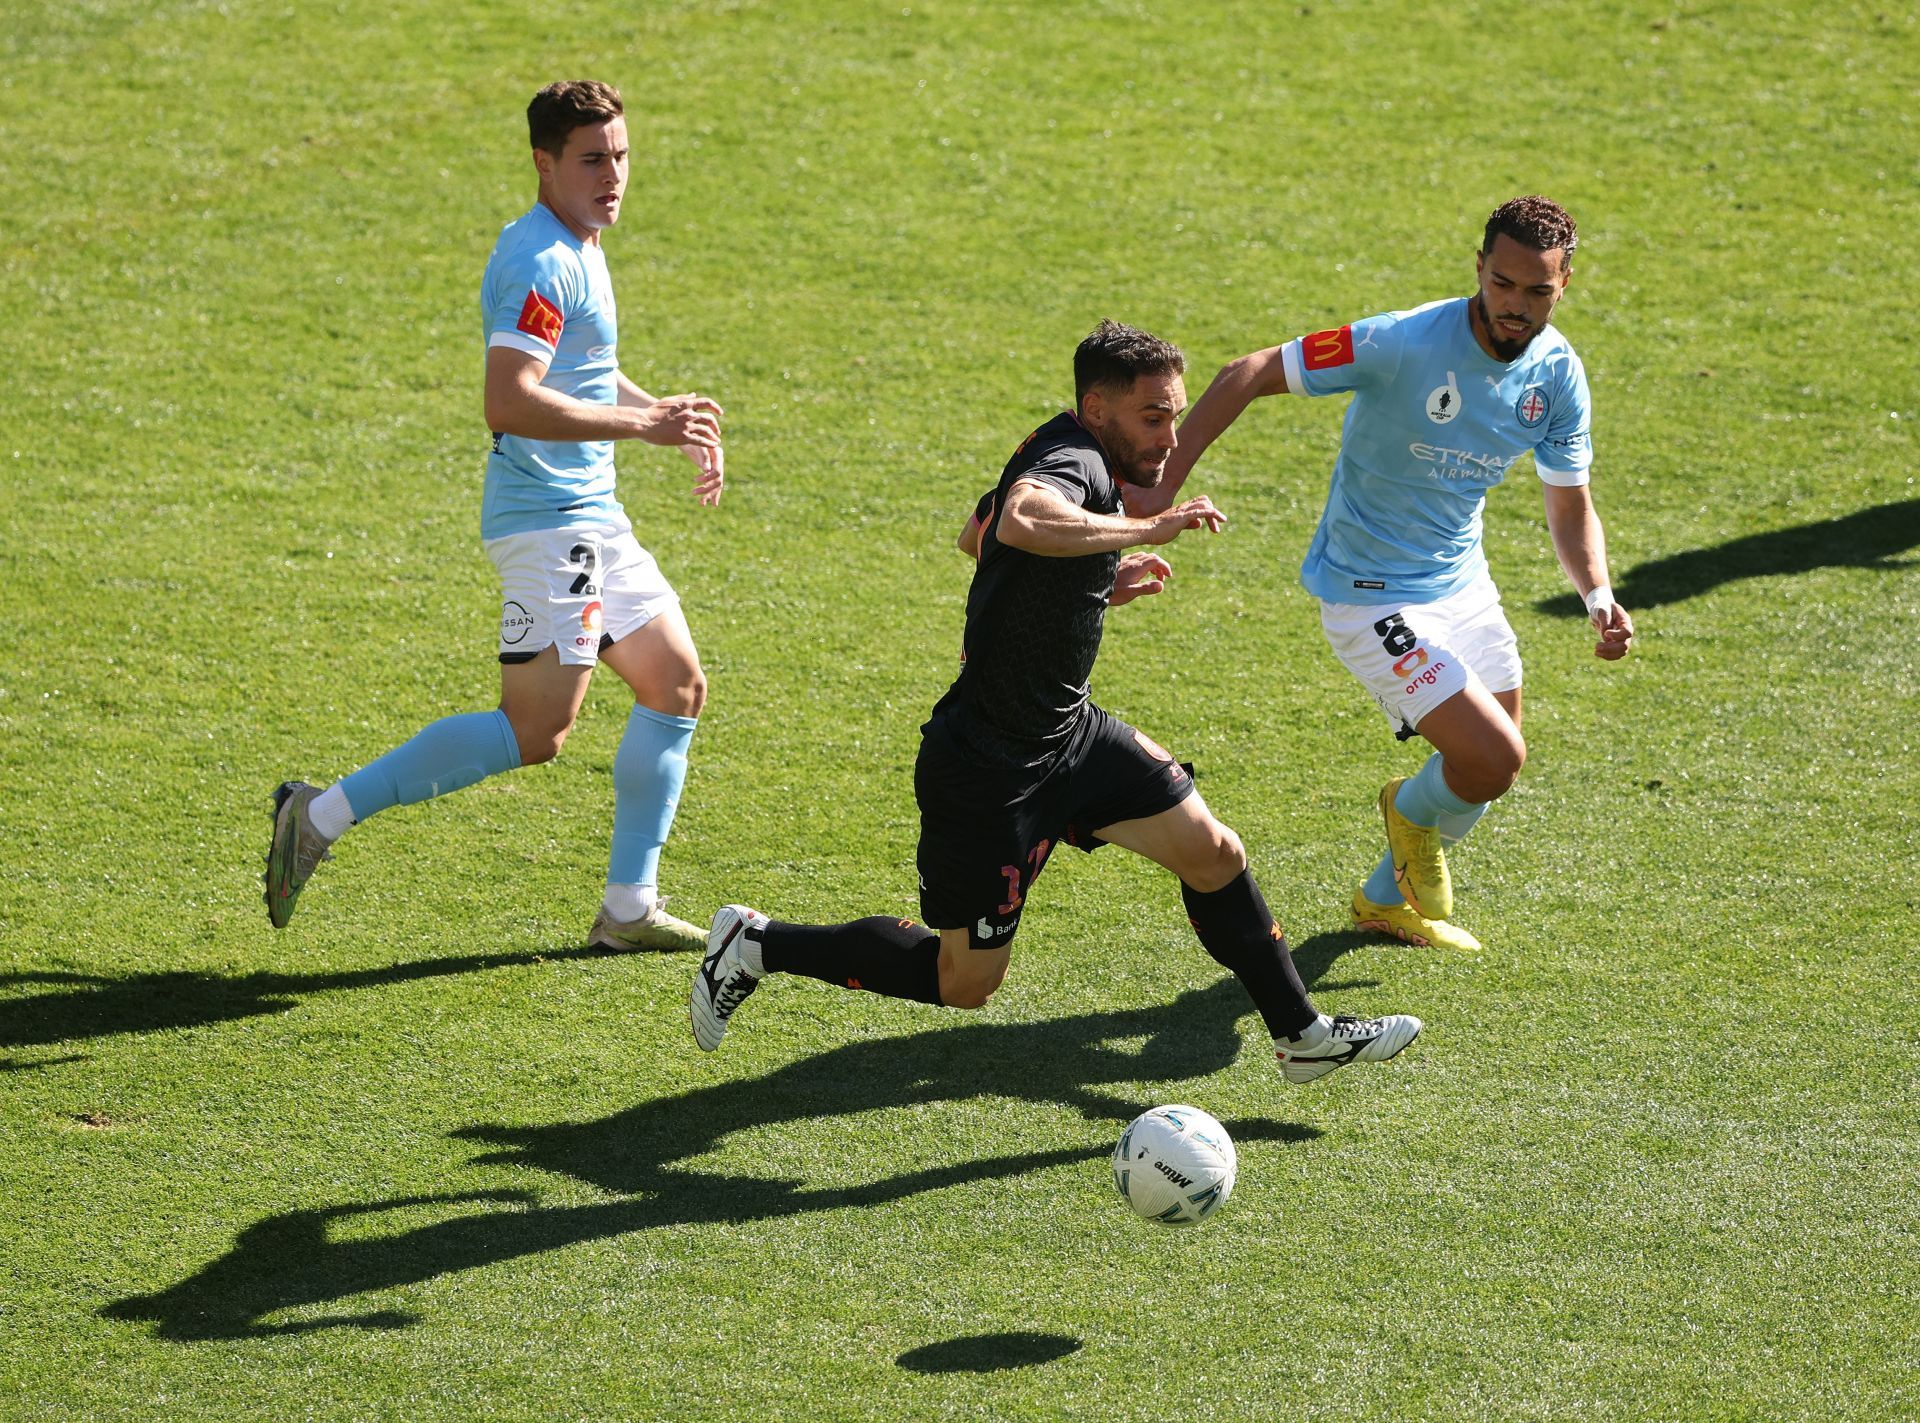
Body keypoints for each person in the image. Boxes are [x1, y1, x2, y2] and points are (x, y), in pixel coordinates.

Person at [688, 320, 1422, 1085]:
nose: (1171, 438)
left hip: (1070, 737)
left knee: (1214, 852)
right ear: (1097, 408)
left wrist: (1099, 578)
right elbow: (1019, 519)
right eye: (1153, 417)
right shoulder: (1069, 458)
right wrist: (1147, 525)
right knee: (965, 980)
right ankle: (757, 942)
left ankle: (1301, 1033)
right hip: (988, 770)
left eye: (1173, 413)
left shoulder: (1072, 447)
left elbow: (976, 535)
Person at [264, 80, 726, 951]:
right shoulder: (542, 260)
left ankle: (628, 905)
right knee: (535, 730)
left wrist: (662, 413)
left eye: (622, 156)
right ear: (544, 164)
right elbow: (508, 401)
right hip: (550, 522)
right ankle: (317, 816)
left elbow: (580, 371)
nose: (614, 175)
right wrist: (642, 424)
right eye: (593, 159)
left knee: (676, 684)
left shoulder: (580, 245)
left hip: (591, 513)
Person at [1138, 196, 1634, 952]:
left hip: (1462, 585)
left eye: (1537, 291)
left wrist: (1597, 594)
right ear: (1479, 268)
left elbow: (1570, 509)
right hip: (1368, 593)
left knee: (1484, 772)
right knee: (1494, 757)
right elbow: (1249, 371)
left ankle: (1382, 901)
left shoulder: (1558, 377)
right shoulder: (1401, 342)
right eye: (1503, 284)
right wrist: (1163, 486)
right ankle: (1405, 810)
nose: (1516, 305)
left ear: (1565, 286)